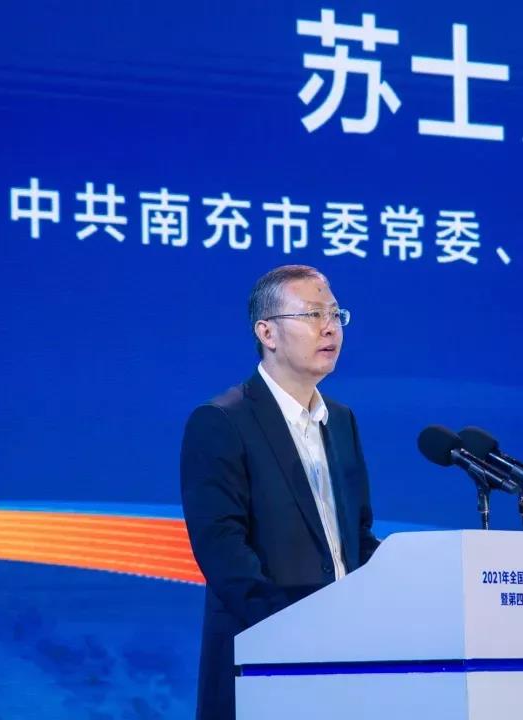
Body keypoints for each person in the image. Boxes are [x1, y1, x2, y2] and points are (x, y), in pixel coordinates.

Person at [179, 264, 381, 720]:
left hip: (347, 662)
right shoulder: (222, 420)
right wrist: (293, 632)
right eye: (312, 314)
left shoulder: (341, 421)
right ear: (266, 332)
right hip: (262, 662)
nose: (330, 327)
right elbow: (222, 550)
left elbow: (357, 539)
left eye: (335, 314)